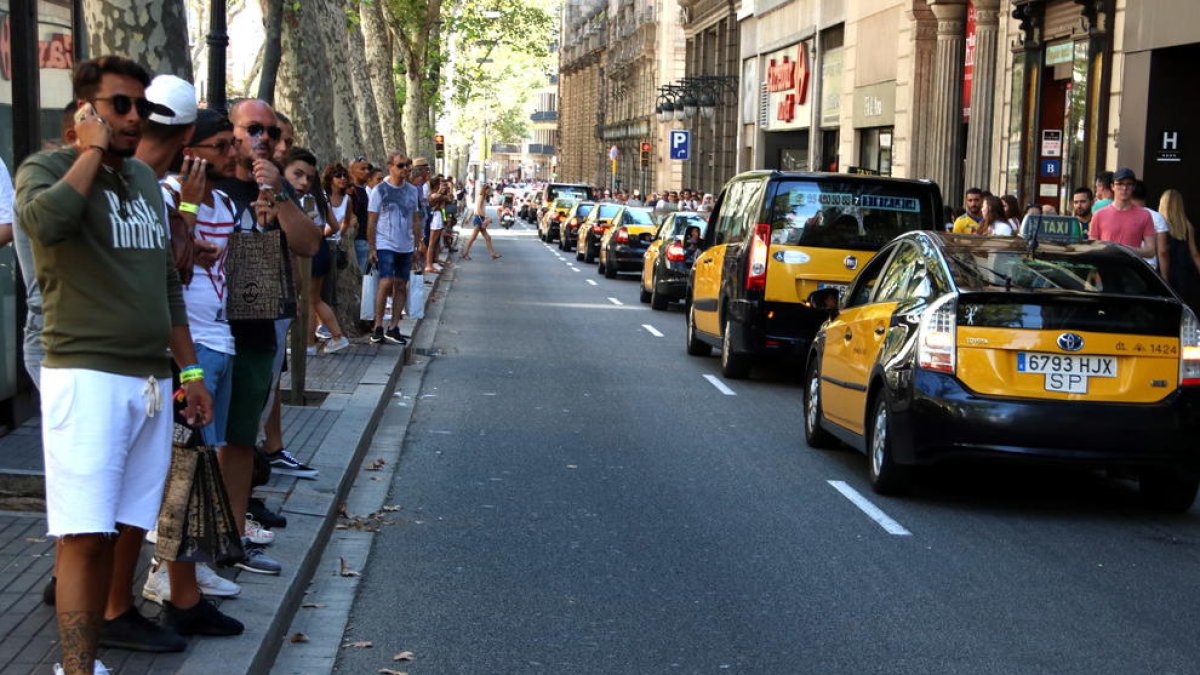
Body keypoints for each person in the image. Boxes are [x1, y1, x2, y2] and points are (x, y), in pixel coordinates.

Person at [15, 55, 214, 673]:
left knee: (120, 528)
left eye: (142, 106)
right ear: (84, 111)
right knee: (82, 533)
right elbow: (44, 224)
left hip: (151, 379)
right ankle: (75, 669)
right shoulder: (48, 168)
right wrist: (89, 154)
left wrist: (190, 372)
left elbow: (167, 286)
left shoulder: (146, 186)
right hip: (87, 374)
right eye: (120, 105)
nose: (135, 118)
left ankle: (92, 659)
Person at [143, 108, 246, 634]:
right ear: (190, 150)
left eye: (233, 144)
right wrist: (184, 206)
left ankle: (190, 569)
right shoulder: (159, 196)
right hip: (188, 347)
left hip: (219, 338)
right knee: (180, 467)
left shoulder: (228, 201)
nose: (234, 153)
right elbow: (169, 272)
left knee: (204, 460)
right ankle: (164, 573)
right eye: (222, 145)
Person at [214, 98, 321, 576]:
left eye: (272, 133)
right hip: (209, 331)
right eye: (253, 129)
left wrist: (276, 199)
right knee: (199, 443)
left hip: (256, 327)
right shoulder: (204, 183)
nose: (265, 140)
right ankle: (192, 547)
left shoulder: (276, 189)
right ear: (231, 132)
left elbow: (309, 244)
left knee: (240, 439)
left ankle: (235, 537)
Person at [283, 147, 349, 354]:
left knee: (309, 300)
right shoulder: (320, 196)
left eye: (307, 177)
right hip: (321, 249)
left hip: (310, 253)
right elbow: (335, 226)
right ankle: (336, 336)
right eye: (298, 174)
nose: (303, 181)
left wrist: (316, 234)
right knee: (315, 299)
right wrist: (321, 234)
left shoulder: (303, 199)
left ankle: (309, 344)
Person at [368, 152, 424, 344]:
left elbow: (416, 217)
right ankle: (377, 325)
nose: (405, 169)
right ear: (390, 167)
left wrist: (418, 242)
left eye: (407, 165)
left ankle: (393, 326)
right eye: (401, 166)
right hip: (385, 243)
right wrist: (372, 247)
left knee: (401, 284)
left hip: (406, 245)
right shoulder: (380, 190)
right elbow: (372, 220)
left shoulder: (412, 191)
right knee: (385, 282)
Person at [1089, 168, 1156, 260]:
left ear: (1134, 187)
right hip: (1104, 269)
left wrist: (1127, 250)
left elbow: (1151, 250)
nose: (1124, 188)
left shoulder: (1144, 215)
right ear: (1112, 186)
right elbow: (1092, 247)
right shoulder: (1099, 215)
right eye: (1120, 184)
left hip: (1130, 270)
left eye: (1129, 184)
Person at [1159, 189, 1200, 314]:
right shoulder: (1187, 226)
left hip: (1165, 272)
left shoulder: (1159, 225)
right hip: (1185, 275)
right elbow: (1195, 254)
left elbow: (1162, 252)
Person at [1129, 179, 1171, 272]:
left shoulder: (1123, 215)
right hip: (1149, 268)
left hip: (1128, 265)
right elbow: (1162, 251)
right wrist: (1165, 278)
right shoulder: (1157, 217)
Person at [462, 182, 500, 261]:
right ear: (485, 190)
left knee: (487, 237)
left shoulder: (481, 197)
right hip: (479, 219)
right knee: (473, 237)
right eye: (488, 190)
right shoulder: (481, 197)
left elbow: (474, 209)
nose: (489, 192)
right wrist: (487, 217)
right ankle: (465, 253)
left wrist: (469, 218)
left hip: (480, 218)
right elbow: (478, 209)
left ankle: (493, 254)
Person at [347, 156, 372, 271]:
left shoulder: (364, 190)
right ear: (352, 171)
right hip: (358, 240)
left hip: (366, 240)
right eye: (362, 169)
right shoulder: (351, 191)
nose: (367, 172)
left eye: (368, 168)